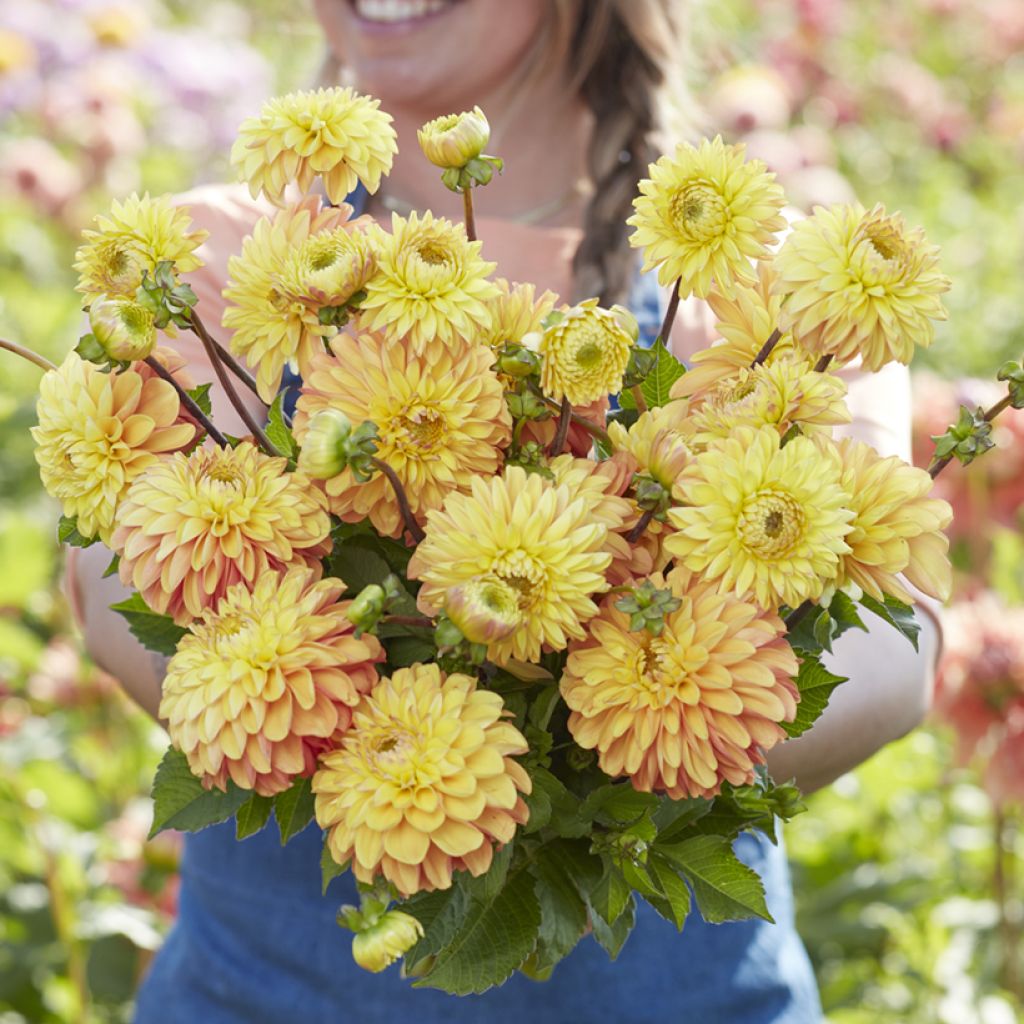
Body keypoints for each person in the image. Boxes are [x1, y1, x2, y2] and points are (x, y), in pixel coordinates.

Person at [68, 2, 942, 1021]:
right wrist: (427, 751)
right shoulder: (217, 263)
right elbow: (123, 579)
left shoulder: (774, 286)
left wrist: (649, 725)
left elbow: (893, 638)